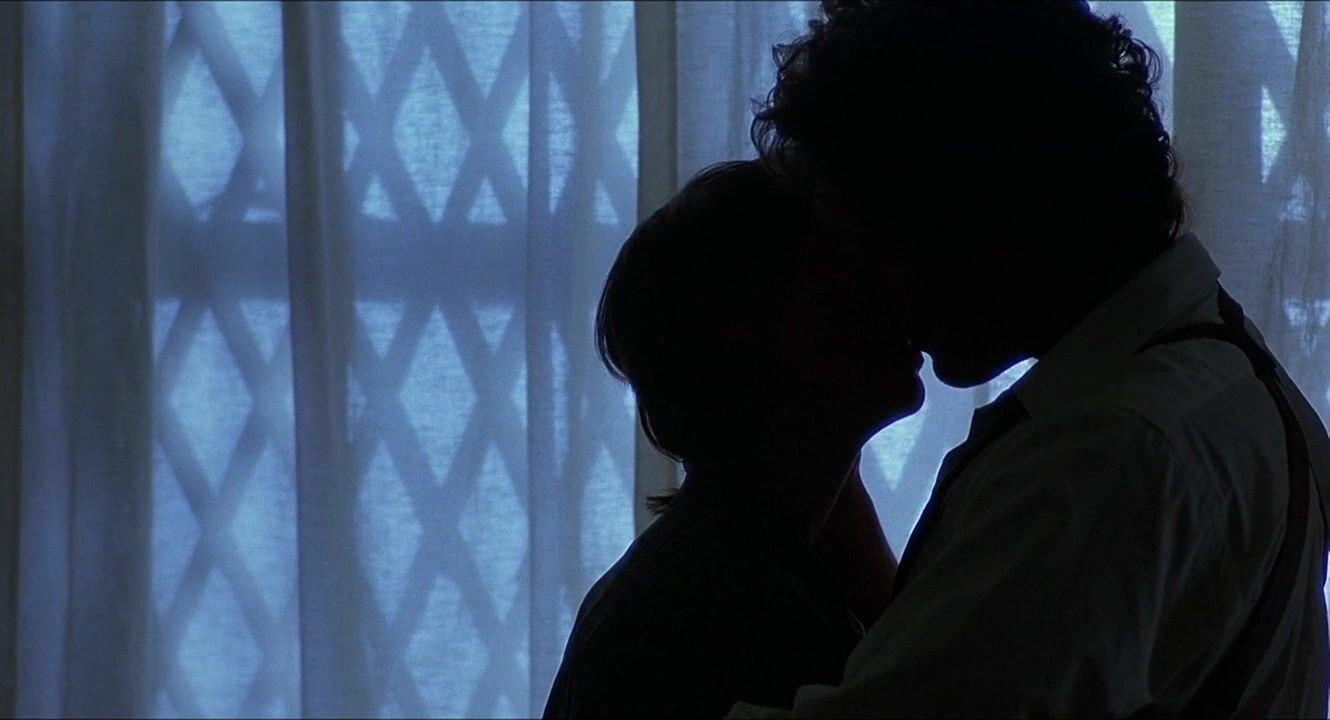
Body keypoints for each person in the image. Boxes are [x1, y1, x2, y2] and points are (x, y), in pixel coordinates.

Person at [729, 1, 1330, 716]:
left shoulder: (1104, 457)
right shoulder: (1225, 381)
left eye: (871, 245)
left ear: (978, 218)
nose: (863, 288)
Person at [543, 160, 924, 718]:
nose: (895, 296)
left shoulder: (718, 569)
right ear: (756, 341)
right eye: (847, 279)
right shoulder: (735, 610)